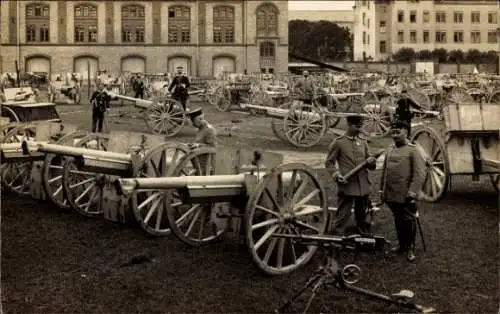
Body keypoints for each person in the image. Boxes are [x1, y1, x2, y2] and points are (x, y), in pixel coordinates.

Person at [379, 120, 426, 262]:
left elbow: (420, 174)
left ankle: (411, 247)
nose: (394, 130)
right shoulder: (390, 149)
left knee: (408, 220)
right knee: (398, 219)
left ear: (406, 131)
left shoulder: (413, 150)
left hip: (406, 194)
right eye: (392, 128)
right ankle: (402, 245)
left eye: (398, 128)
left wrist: (412, 193)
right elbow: (385, 172)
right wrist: (382, 189)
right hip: (391, 193)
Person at [325, 114, 378, 235]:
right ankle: (338, 232)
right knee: (344, 211)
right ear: (349, 125)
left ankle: (361, 228)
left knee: (362, 210)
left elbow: (370, 162)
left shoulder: (363, 142)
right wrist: (336, 175)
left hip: (363, 183)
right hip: (347, 182)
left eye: (360, 126)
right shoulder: (339, 143)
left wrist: (371, 162)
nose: (359, 129)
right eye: (356, 126)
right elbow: (329, 163)